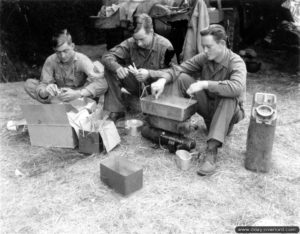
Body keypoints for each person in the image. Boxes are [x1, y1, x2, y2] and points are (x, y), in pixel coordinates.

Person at [151, 24, 247, 176]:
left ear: (222, 44)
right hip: (209, 111)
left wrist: (204, 84)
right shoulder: (206, 57)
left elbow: (237, 88)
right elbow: (180, 69)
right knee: (182, 78)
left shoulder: (236, 62)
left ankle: (211, 151)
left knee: (229, 96)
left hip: (227, 116)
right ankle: (176, 126)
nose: (205, 51)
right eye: (203, 47)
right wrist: (162, 80)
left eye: (208, 46)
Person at [101, 13, 177, 121]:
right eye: (136, 39)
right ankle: (117, 110)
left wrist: (150, 73)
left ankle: (156, 110)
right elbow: (107, 56)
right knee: (110, 68)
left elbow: (175, 70)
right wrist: (117, 68)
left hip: (158, 88)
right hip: (138, 86)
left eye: (142, 39)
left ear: (151, 32)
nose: (139, 44)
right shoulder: (131, 43)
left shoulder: (165, 46)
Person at [24, 29, 107, 103]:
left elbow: (103, 84)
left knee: (96, 83)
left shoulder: (82, 59)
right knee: (29, 84)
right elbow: (44, 84)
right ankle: (57, 104)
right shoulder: (51, 60)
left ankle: (78, 106)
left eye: (65, 51)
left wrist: (78, 93)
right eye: (58, 52)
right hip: (59, 94)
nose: (62, 56)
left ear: (72, 46)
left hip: (79, 95)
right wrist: (46, 91)